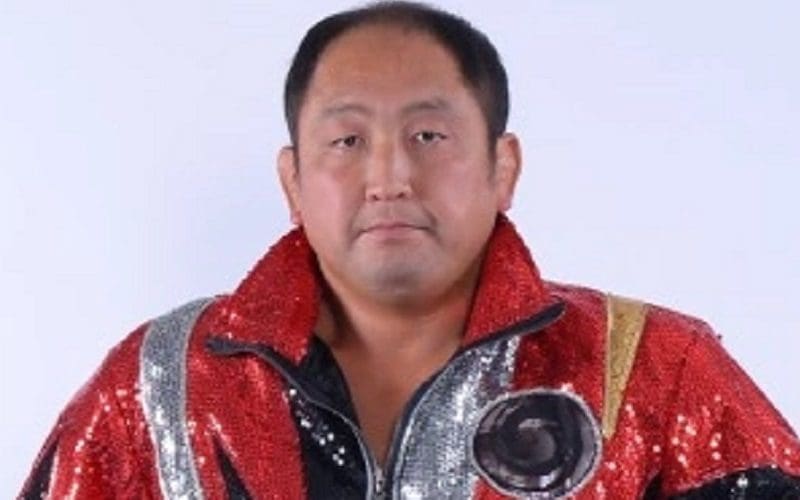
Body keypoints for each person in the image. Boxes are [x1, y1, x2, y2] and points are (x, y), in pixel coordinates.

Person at [20, 2, 800, 499]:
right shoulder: (159, 385)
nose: (389, 177)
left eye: (428, 135)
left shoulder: (657, 372)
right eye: (347, 140)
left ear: (503, 167)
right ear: (293, 180)